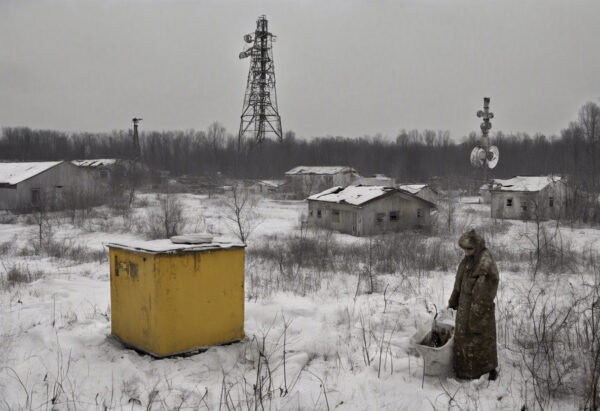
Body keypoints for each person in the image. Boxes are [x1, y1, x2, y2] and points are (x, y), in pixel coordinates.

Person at [448, 229, 499, 380]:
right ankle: (465, 372)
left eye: (469, 248)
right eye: (464, 249)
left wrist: (475, 319)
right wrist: (452, 303)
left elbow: (483, 296)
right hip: (465, 309)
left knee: (481, 341)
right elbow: (458, 284)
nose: (466, 252)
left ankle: (486, 372)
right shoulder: (468, 260)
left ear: (477, 246)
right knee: (465, 342)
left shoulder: (484, 264)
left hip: (479, 311)